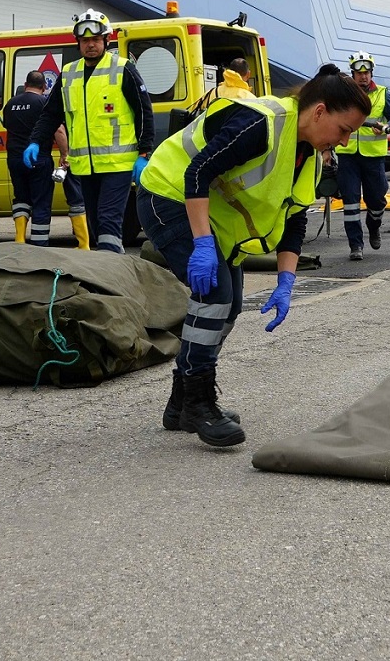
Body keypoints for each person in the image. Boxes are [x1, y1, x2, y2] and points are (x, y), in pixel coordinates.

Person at [138, 64, 370, 446]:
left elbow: (294, 219)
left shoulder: (308, 156)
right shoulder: (261, 124)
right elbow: (197, 171)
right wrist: (201, 244)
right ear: (319, 112)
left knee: (229, 307)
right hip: (168, 194)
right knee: (214, 297)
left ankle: (181, 403)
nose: (344, 142)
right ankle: (197, 402)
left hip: (211, 216)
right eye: (344, 130)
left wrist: (286, 280)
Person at [25, 9, 154, 253]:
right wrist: (35, 141)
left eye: (95, 40)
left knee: (108, 221)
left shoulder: (123, 69)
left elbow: (143, 111)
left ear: (106, 41)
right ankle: (114, 266)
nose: (91, 45)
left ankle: (111, 279)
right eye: (85, 41)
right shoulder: (68, 74)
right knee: (96, 226)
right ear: (79, 44)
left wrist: (144, 153)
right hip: (85, 166)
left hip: (118, 165)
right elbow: (51, 114)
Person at [335, 51, 390, 262]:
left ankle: (374, 226)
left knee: (377, 199)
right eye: (359, 73)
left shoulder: (382, 93)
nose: (363, 76)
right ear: (352, 74)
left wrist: (388, 127)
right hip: (348, 155)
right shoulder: (343, 95)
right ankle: (356, 245)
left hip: (373, 157)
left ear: (372, 73)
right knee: (351, 203)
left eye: (367, 72)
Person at [2, 70, 60, 245]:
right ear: (44, 87)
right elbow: (58, 130)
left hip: (14, 159)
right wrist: (65, 154)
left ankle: (19, 239)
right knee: (41, 202)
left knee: (21, 199)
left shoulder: (10, 104)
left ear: (26, 85)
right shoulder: (45, 103)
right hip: (38, 158)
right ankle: (39, 245)